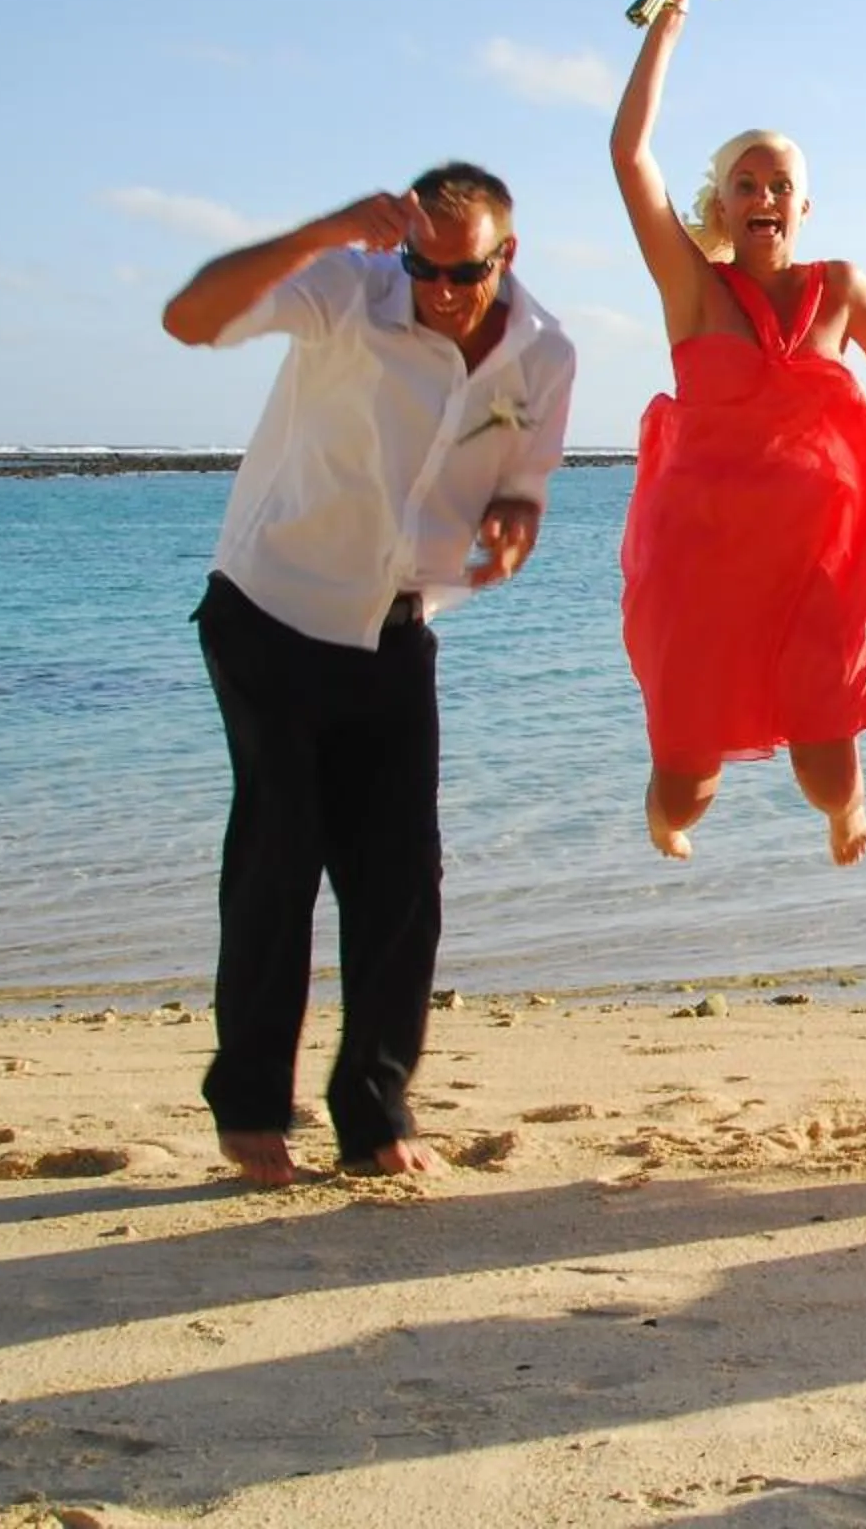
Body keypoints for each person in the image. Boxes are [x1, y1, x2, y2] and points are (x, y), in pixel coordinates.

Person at [162, 164, 575, 1184]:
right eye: (422, 266)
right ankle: (253, 1106)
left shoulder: (544, 354)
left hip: (395, 627)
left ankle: (373, 1111)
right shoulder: (345, 287)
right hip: (271, 607)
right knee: (281, 850)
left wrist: (515, 523)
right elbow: (188, 316)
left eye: (463, 271)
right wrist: (329, 227)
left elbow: (525, 484)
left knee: (402, 882)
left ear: (504, 257)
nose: (437, 289)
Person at [609, 0, 866, 867]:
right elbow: (628, 155)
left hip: (818, 561)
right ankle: (659, 816)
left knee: (824, 761)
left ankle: (848, 809)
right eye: (747, 184)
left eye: (781, 186)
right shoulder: (693, 287)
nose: (764, 195)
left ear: (805, 206)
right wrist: (672, 9)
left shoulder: (839, 287)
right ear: (720, 202)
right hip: (705, 557)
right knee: (691, 784)